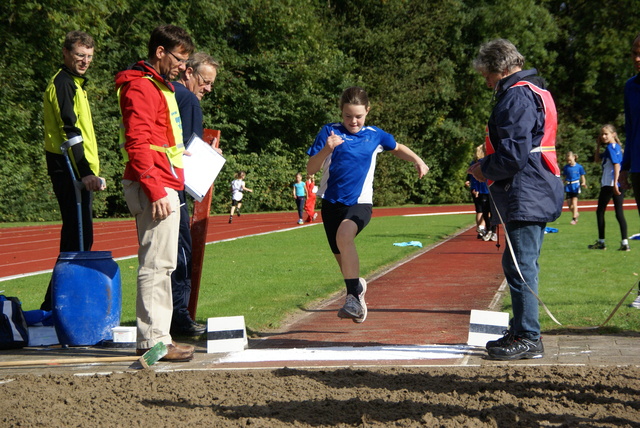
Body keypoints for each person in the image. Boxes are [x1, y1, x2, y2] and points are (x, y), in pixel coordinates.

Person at [468, 39, 564, 361]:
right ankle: (523, 329)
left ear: (499, 67)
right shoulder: (534, 90)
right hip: (533, 188)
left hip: (526, 190)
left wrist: (483, 169)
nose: (486, 82)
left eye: (486, 75)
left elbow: (513, 154)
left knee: (521, 266)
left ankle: (528, 336)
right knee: (518, 264)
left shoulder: (516, 95)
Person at [307, 86, 429, 324]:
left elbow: (397, 148)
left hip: (360, 203)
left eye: (358, 116)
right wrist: (327, 148)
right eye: (348, 116)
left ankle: (351, 298)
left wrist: (418, 160)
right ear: (341, 112)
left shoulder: (375, 135)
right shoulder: (329, 132)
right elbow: (311, 169)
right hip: (331, 204)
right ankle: (357, 292)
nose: (353, 121)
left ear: (368, 112)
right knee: (343, 261)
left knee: (345, 234)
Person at [115, 24, 195, 362]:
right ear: (159, 52)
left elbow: (157, 140)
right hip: (155, 185)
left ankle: (159, 338)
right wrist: (156, 187)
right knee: (155, 265)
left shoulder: (157, 86)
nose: (182, 67)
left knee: (163, 265)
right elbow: (137, 143)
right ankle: (152, 341)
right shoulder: (142, 87)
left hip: (164, 180)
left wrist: (177, 155)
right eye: (179, 59)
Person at [41, 30, 106, 311]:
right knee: (77, 238)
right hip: (68, 168)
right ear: (66, 53)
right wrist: (85, 172)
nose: (85, 61)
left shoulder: (76, 84)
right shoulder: (63, 84)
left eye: (89, 56)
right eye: (80, 55)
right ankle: (53, 307)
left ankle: (55, 305)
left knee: (80, 238)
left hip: (76, 169)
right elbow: (71, 133)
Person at [170, 52, 220, 336]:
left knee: (161, 255)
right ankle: (180, 316)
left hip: (154, 181)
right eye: (205, 81)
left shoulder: (165, 93)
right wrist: (210, 154)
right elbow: (189, 148)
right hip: (174, 185)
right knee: (182, 251)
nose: (208, 89)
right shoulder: (187, 100)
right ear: (187, 72)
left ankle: (168, 317)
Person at [588, 124, 629, 251]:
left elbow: (617, 165)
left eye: (606, 134)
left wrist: (615, 183)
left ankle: (601, 242)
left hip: (609, 184)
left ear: (613, 134)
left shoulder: (612, 148)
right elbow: (596, 159)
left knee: (600, 211)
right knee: (619, 213)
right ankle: (625, 243)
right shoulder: (614, 148)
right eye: (602, 134)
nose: (603, 136)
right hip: (616, 184)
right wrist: (598, 145)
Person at [465, 144, 496, 241]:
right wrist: (475, 188)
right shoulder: (479, 163)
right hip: (484, 189)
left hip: (489, 189)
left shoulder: (490, 161)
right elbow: (473, 177)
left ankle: (490, 230)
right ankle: (486, 230)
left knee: (488, 211)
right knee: (484, 211)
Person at [562, 151, 587, 225]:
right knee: (569, 205)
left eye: (570, 160)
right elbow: (565, 177)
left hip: (575, 186)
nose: (569, 161)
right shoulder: (566, 167)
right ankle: (576, 213)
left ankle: (574, 219)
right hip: (568, 186)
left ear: (574, 157)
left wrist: (583, 183)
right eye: (568, 160)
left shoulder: (579, 167)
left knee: (574, 202)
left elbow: (582, 176)